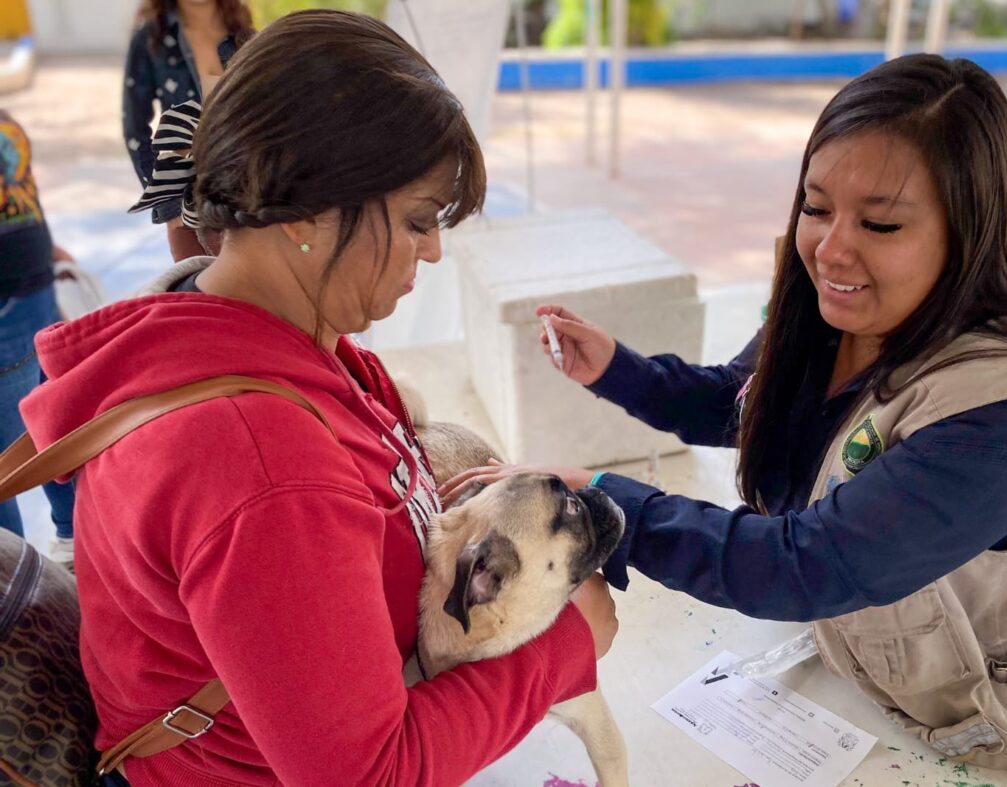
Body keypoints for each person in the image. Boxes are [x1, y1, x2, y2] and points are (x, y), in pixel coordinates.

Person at [440, 55, 1007, 786]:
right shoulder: (831, 313)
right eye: (815, 206)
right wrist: (617, 367)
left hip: (993, 728)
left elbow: (808, 562)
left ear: (968, 228)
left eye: (880, 222)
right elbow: (740, 399)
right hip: (865, 662)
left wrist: (606, 503)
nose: (831, 249)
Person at [23, 11, 615, 785]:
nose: (433, 249)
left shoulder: (245, 333)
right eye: (415, 219)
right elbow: (367, 772)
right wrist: (569, 644)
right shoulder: (263, 462)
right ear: (306, 210)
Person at [0, 109, 77, 567]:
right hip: (16, 293)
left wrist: (44, 249)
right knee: (35, 430)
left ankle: (65, 548)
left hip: (24, 291)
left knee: (47, 422)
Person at [123, 0, 253, 260]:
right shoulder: (151, 38)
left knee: (256, 295)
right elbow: (135, 129)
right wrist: (168, 204)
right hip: (187, 198)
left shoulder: (243, 33)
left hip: (248, 193)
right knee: (200, 296)